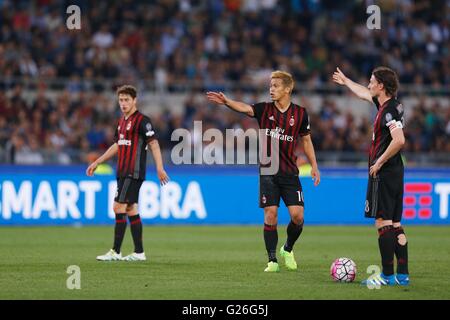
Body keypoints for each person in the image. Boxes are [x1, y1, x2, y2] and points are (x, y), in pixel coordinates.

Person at [206, 71, 321, 272]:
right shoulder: (264, 109)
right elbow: (245, 108)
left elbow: (307, 140)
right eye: (270, 86)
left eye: (276, 86)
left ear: (287, 89)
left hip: (290, 172)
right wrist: (227, 102)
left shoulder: (300, 114)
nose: (271, 89)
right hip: (268, 171)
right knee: (271, 214)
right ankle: (272, 260)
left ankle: (287, 248)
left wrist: (314, 166)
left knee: (297, 216)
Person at [333, 66, 409, 286]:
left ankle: (386, 276)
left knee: (382, 222)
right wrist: (347, 81)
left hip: (384, 172)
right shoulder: (391, 105)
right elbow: (363, 93)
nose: (368, 84)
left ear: (381, 85)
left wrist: (379, 162)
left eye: (371, 81)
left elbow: (399, 140)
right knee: (395, 224)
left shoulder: (388, 111)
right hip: (396, 171)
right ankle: (402, 274)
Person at [86, 85, 169, 261]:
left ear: (134, 101)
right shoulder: (121, 122)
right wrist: (97, 161)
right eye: (121, 100)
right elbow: (117, 145)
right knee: (131, 209)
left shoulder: (142, 121)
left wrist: (160, 168)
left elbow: (153, 144)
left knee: (118, 207)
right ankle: (139, 253)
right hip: (122, 171)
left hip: (134, 171)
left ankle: (116, 252)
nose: (123, 104)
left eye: (126, 100)